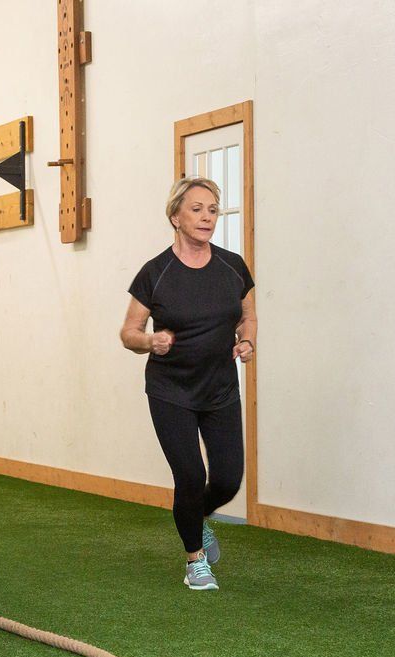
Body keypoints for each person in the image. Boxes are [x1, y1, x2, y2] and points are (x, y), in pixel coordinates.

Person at [120, 178, 257, 591]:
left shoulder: (232, 266)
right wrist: (149, 341)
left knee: (229, 478)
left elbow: (247, 315)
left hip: (219, 390)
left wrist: (247, 340)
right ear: (175, 216)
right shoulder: (155, 273)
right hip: (171, 391)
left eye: (213, 209)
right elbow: (129, 331)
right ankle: (195, 560)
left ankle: (195, 517)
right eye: (196, 209)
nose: (206, 217)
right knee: (191, 476)